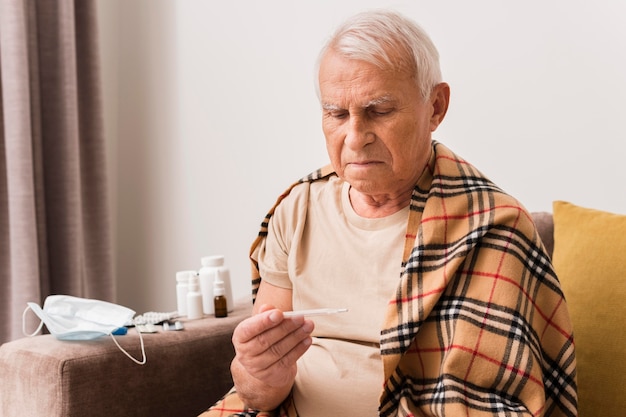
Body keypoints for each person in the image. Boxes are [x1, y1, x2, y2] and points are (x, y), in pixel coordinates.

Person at [201, 9, 577, 417]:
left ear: (436, 106)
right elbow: (261, 390)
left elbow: (489, 403)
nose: (355, 137)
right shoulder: (296, 210)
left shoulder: (493, 227)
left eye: (379, 111)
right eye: (337, 114)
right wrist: (256, 378)